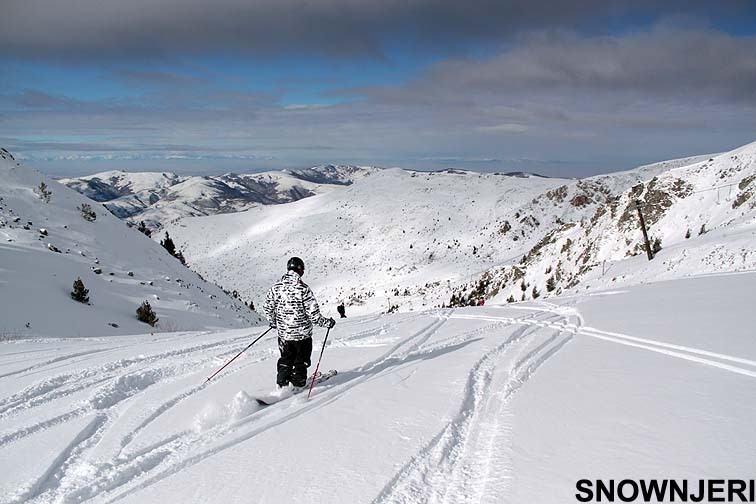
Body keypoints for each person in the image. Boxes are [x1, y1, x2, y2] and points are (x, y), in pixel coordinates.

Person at [263, 257, 335, 388]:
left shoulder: (276, 288)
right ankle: (298, 384)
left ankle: (282, 384)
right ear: (301, 270)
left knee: (285, 359)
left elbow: (267, 307)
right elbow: (314, 316)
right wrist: (327, 323)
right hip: (302, 335)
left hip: (284, 335)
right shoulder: (303, 289)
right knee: (300, 361)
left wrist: (273, 322)